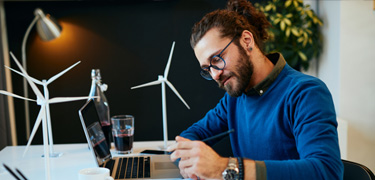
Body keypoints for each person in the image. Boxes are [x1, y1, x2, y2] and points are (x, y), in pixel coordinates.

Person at [167, 0, 343, 180]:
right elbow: (192, 136)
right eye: (207, 68)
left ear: (246, 40)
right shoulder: (235, 98)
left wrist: (226, 167)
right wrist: (189, 158)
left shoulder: (305, 92)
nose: (214, 75)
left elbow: (326, 171)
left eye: (217, 59)